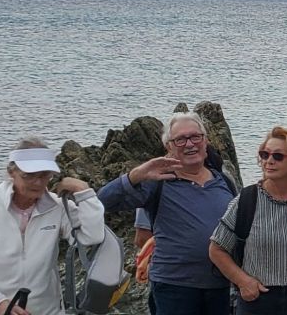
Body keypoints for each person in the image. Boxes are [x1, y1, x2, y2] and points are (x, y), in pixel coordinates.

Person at [98, 112, 240, 315]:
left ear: (205, 140)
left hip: (220, 285)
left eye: (195, 137)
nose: (189, 144)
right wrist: (136, 175)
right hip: (174, 287)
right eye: (180, 140)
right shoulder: (157, 182)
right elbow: (102, 202)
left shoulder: (224, 181)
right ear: (169, 147)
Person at [0, 136, 104, 315]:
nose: (38, 182)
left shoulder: (58, 207)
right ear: (12, 172)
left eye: (44, 175)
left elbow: (91, 237)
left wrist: (84, 192)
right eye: (29, 176)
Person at [209, 126, 287, 314]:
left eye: (278, 156)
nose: (269, 161)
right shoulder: (246, 200)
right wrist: (243, 281)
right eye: (264, 154)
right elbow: (216, 249)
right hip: (258, 298)